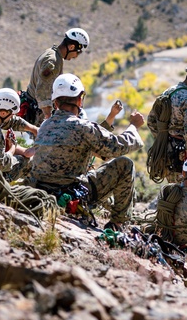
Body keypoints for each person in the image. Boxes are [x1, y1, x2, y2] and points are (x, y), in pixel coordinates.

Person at [27, 73, 144, 230]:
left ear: (55, 102)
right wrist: (133, 127)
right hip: (70, 192)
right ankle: (118, 223)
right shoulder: (83, 127)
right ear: (80, 100)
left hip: (41, 190)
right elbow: (117, 147)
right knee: (125, 165)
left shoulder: (45, 125)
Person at [148, 60, 187, 180]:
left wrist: (162, 141)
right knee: (182, 193)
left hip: (165, 153)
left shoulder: (168, 92)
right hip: (180, 157)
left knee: (172, 191)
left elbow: (151, 121)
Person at [24, 28, 90, 123]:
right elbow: (42, 91)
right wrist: (49, 118)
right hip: (40, 113)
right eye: (77, 53)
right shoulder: (53, 61)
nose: (75, 57)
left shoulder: (52, 54)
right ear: (71, 47)